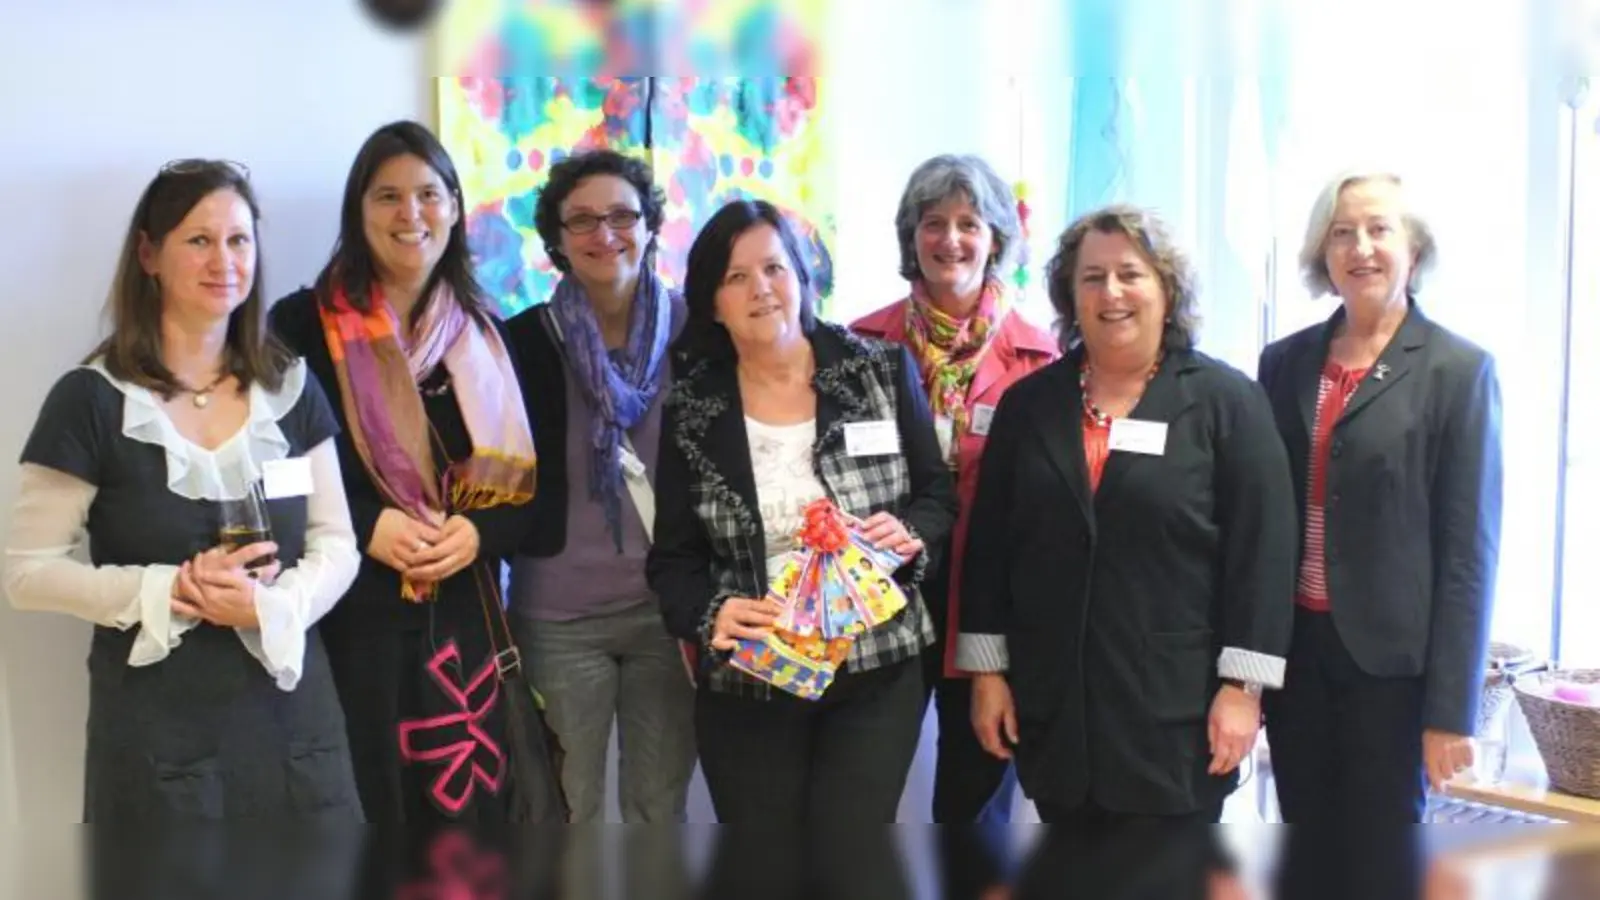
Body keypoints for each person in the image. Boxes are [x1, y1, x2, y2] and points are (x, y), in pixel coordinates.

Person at [2, 159, 362, 821]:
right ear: (149, 253)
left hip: (295, 734)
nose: (223, 259)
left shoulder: (290, 386)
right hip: (156, 743)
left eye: (239, 239)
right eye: (198, 240)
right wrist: (167, 590)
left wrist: (275, 607)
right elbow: (25, 574)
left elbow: (336, 542)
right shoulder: (90, 399)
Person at [959, 204, 1297, 829]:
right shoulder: (1029, 405)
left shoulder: (1227, 403)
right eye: (1092, 277)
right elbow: (989, 548)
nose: (1111, 293)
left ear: (1167, 290)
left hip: (1177, 715)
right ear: (1070, 294)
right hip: (1055, 710)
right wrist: (987, 672)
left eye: (1130, 274)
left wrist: (1243, 688)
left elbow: (1264, 551)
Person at [646, 199, 957, 829]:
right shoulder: (692, 410)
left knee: (852, 866)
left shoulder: (880, 371)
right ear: (712, 302)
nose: (761, 289)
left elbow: (937, 496)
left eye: (774, 267)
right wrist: (712, 613)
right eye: (736, 277)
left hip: (876, 668)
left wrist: (912, 533)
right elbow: (673, 562)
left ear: (801, 277)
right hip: (753, 680)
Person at [270, 121, 549, 823]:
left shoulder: (490, 332)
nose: (411, 214)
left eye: (429, 193)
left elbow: (531, 499)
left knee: (475, 823)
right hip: (355, 613)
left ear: (455, 207)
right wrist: (366, 525)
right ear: (357, 213)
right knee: (376, 810)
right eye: (388, 196)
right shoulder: (301, 327)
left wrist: (480, 534)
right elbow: (274, 478)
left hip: (468, 618)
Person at [1257, 170, 1502, 892]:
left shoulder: (1460, 371)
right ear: (1322, 255)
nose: (1360, 247)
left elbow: (1469, 555)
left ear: (1414, 249)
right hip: (1297, 656)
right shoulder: (1284, 363)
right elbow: (1263, 520)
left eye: (1378, 229)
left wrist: (1450, 711)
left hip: (1393, 674)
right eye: (1341, 233)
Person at [850, 153, 1053, 896]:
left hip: (992, 613)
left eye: (970, 223)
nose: (952, 240)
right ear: (912, 237)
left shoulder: (1041, 358)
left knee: (973, 813)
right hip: (881, 608)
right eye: (933, 223)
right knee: (861, 797)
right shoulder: (859, 345)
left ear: (996, 238)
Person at [505, 149, 695, 826]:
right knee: (563, 812)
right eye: (581, 220)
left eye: (621, 215)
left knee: (657, 812)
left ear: (650, 225)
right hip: (557, 617)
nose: (603, 233)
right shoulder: (521, 342)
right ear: (556, 239)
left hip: (669, 615)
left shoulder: (698, 332)